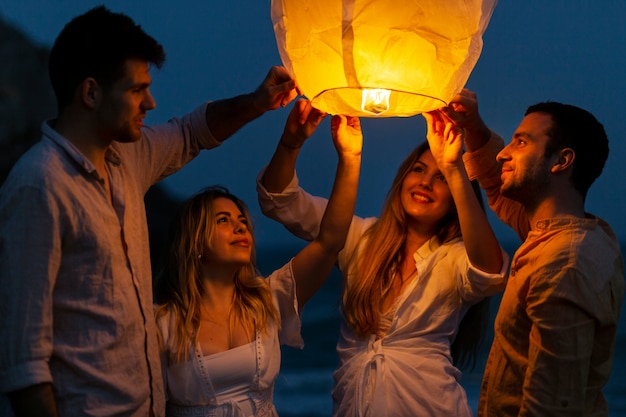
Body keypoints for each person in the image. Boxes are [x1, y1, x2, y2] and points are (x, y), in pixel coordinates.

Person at [0, 6, 299, 417]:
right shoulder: (40, 185)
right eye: (137, 90)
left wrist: (257, 101)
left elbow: (193, 132)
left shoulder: (129, 158)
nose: (151, 102)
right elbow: (25, 363)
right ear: (91, 93)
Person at [256, 108, 509, 416]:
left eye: (440, 177)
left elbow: (490, 272)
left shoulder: (453, 259)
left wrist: (455, 167)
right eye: (418, 170)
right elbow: (280, 202)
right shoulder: (359, 237)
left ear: (456, 194)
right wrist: (291, 142)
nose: (426, 182)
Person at [153, 98, 361, 416]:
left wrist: (350, 157)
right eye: (223, 220)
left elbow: (329, 242)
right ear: (194, 241)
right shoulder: (162, 323)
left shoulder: (267, 301)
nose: (240, 227)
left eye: (242, 221)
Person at [444, 89, 625, 416]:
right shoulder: (555, 235)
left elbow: (552, 405)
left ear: (561, 161)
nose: (503, 155)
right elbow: (497, 188)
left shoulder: (565, 266)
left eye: (522, 142)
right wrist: (471, 125)